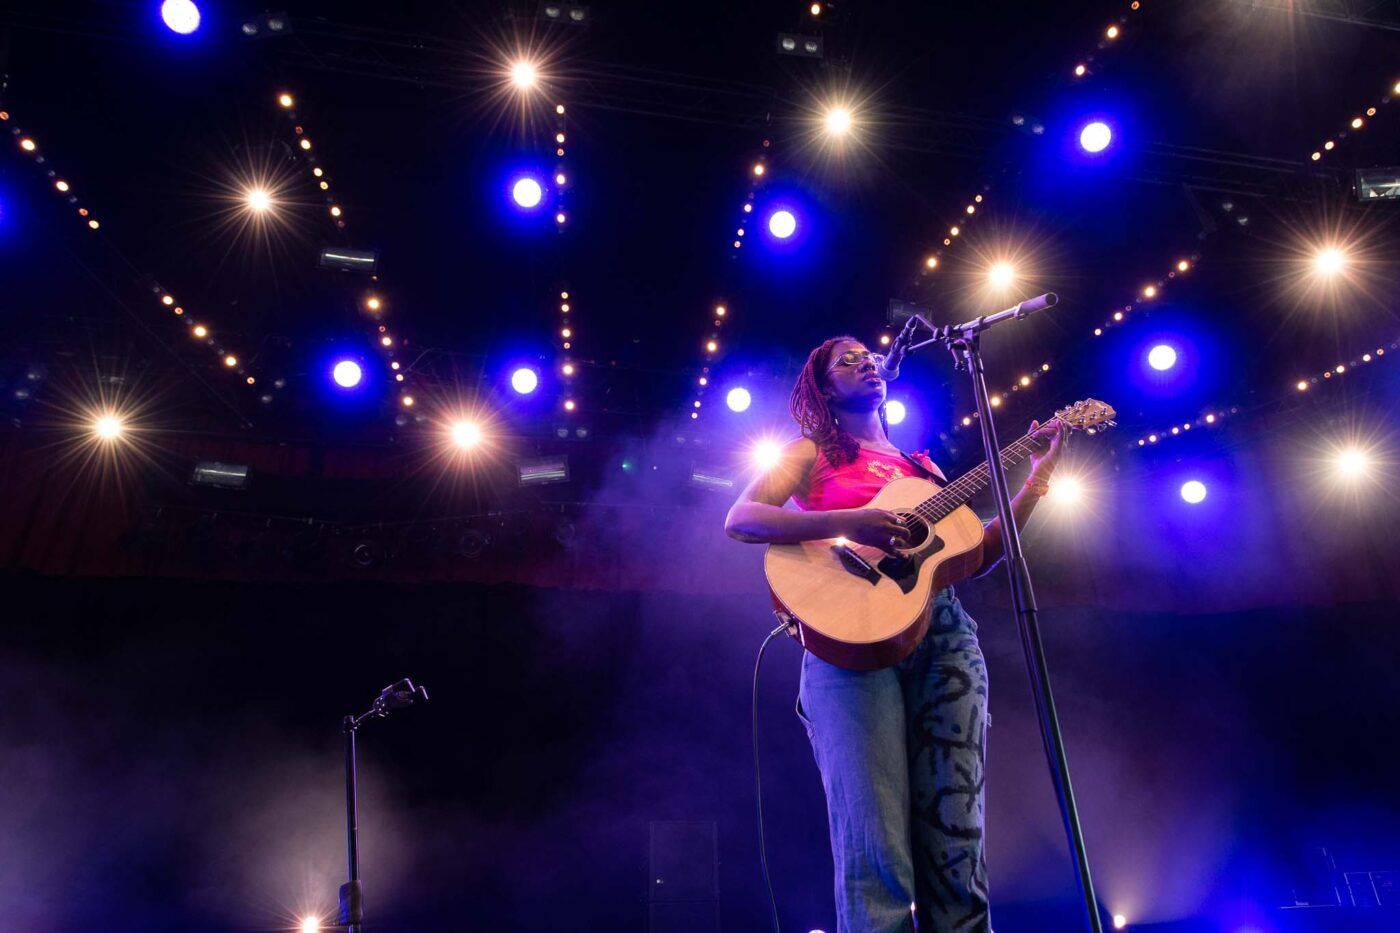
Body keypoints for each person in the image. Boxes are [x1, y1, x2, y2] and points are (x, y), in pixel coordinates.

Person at [724, 336, 1067, 932]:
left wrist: (1034, 485)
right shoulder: (807, 452)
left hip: (945, 636)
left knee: (956, 836)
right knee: (875, 845)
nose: (867, 363)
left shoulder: (924, 470)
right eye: (847, 360)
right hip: (849, 638)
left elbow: (977, 553)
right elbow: (743, 518)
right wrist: (852, 521)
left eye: (869, 356)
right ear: (825, 387)